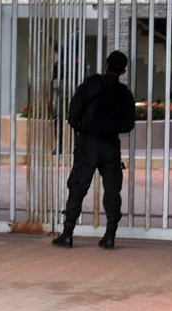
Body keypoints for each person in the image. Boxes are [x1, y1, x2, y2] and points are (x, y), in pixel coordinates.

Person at [52, 51, 136, 250]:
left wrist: (81, 129)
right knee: (112, 190)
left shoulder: (91, 84)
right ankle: (109, 237)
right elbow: (128, 124)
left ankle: (67, 234)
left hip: (88, 144)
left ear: (106, 63)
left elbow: (73, 113)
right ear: (123, 70)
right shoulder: (124, 93)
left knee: (78, 187)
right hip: (110, 146)